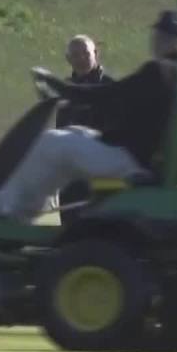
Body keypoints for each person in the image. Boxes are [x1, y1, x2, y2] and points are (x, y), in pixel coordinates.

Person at [0, 11, 177, 222]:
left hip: (132, 163)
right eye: (158, 35)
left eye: (163, 37)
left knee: (52, 142)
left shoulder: (158, 72)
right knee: (71, 134)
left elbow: (105, 95)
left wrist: (59, 86)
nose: (157, 41)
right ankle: (22, 207)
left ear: (175, 40)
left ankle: (6, 206)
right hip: (141, 158)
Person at [55, 35, 113, 222]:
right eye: (75, 55)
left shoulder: (111, 88)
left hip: (98, 175)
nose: (81, 59)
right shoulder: (64, 90)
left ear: (96, 54)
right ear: (68, 59)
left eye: (85, 54)